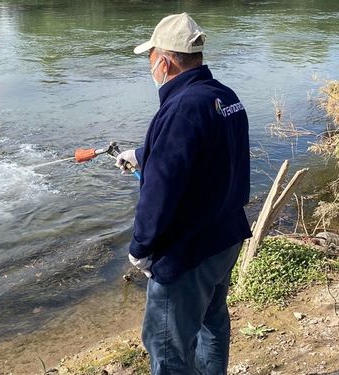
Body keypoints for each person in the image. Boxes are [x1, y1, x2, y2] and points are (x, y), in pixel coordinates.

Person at [115, 13, 252, 375]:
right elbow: (208, 153)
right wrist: (143, 154)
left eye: (150, 58)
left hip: (188, 252)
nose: (150, 66)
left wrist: (140, 250)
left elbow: (160, 190)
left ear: (164, 60)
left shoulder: (180, 107)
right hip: (225, 238)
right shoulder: (224, 96)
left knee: (166, 344)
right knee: (212, 323)